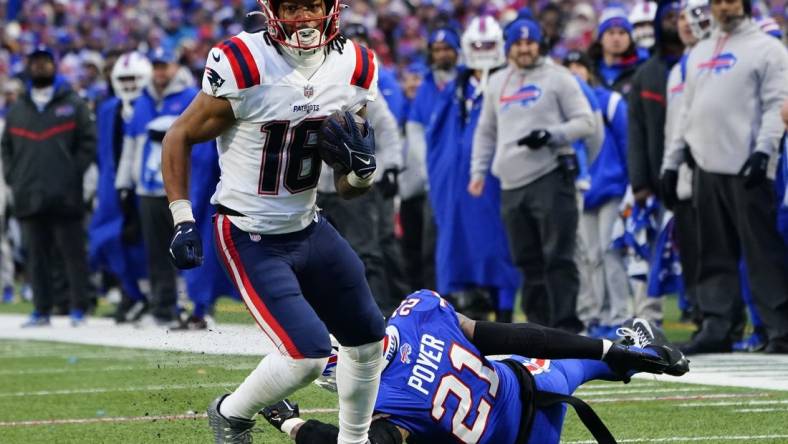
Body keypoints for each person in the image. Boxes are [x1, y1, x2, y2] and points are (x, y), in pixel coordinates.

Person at [160, 0, 387, 442]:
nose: (303, 15)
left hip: (308, 224)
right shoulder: (244, 62)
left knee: (368, 341)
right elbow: (179, 133)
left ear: (332, 9)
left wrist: (362, 171)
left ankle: (354, 440)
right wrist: (182, 216)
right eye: (292, 5)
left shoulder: (355, 65)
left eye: (313, 4)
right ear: (272, 10)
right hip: (248, 231)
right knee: (307, 356)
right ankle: (231, 412)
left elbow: (348, 186)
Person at [261, 289, 689, 444]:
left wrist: (289, 424)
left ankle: (626, 349)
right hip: (534, 384)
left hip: (514, 430)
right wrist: (602, 349)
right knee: (583, 362)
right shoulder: (418, 310)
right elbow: (510, 335)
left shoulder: (388, 402)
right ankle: (636, 349)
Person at [663, 0, 788, 354]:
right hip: (704, 165)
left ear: (745, 5)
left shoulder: (768, 49)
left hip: (747, 163)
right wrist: (672, 163)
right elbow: (686, 112)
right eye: (718, 1)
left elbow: (776, 104)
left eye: (732, 0)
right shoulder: (700, 51)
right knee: (712, 253)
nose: (724, 7)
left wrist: (765, 151)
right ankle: (718, 325)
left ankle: (780, 327)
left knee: (762, 251)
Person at [469, 18, 596, 333]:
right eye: (518, 43)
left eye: (530, 42)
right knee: (527, 261)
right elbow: (486, 131)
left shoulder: (559, 78)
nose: (524, 48)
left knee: (558, 257)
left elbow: (586, 122)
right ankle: (540, 329)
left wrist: (551, 134)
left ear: (541, 43)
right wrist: (478, 171)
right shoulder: (497, 81)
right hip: (511, 184)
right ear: (509, 47)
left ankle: (567, 326)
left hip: (550, 176)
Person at [426, 16, 520, 322]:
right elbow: (437, 137)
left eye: (488, 45)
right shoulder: (457, 87)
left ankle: (504, 315)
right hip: (458, 184)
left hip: (495, 180)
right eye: (477, 45)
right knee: (458, 247)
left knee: (499, 249)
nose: (482, 50)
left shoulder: (511, 80)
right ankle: (465, 318)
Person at [1, 46, 95, 327]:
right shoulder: (18, 109)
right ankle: (41, 310)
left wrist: (71, 173)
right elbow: (6, 148)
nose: (40, 67)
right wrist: (13, 177)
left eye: (45, 62)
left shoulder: (73, 103)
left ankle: (79, 307)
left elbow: (88, 143)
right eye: (35, 62)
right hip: (29, 194)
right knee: (36, 258)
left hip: (65, 194)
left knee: (72, 254)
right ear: (28, 67)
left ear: (54, 66)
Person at [564, 50, 631, 340]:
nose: (575, 71)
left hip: (613, 187)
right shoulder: (561, 109)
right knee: (589, 257)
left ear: (590, 70)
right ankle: (597, 316)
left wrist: (632, 186)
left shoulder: (609, 101)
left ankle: (621, 316)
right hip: (583, 190)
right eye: (569, 67)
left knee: (610, 251)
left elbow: (629, 143)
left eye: (580, 65)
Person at [88, 50, 151, 323]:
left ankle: (145, 297)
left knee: (143, 243)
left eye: (132, 78)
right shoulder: (107, 108)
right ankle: (131, 293)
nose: (127, 85)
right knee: (105, 239)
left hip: (146, 185)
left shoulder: (152, 105)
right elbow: (102, 150)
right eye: (122, 79)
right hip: (112, 185)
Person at [660, 0, 711, 328]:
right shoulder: (679, 66)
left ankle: (725, 318)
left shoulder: (709, 57)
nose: (686, 23)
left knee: (717, 247)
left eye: (693, 16)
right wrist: (670, 164)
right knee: (693, 247)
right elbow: (672, 124)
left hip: (713, 164)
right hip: (683, 170)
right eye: (680, 17)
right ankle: (703, 315)